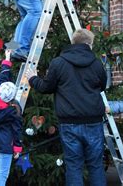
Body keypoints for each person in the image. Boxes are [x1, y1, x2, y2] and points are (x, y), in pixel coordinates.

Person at [26, 28, 107, 186]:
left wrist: (32, 78)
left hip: (69, 123)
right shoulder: (96, 64)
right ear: (89, 44)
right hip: (93, 121)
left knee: (74, 166)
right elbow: (102, 86)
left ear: (73, 42)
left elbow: (46, 87)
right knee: (96, 165)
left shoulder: (59, 63)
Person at [0, 49, 23, 186]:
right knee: (2, 174)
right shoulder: (14, 111)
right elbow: (17, 130)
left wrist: (7, 58)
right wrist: (17, 148)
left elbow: (3, 76)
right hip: (5, 145)